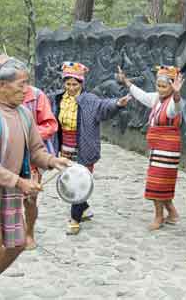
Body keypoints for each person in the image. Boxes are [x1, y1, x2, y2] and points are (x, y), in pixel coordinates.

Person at [0, 55, 71, 300]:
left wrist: (53, 161)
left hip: (9, 190)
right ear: (2, 85)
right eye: (21, 84)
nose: (27, 90)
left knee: (18, 243)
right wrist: (21, 182)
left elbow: (36, 150)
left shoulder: (23, 114)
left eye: (27, 83)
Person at [50, 62, 131, 235]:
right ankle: (84, 209)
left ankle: (75, 219)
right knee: (69, 182)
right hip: (65, 147)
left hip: (84, 147)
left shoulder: (90, 100)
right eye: (68, 84)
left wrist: (118, 103)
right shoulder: (57, 99)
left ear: (81, 84)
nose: (71, 88)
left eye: (75, 84)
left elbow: (104, 107)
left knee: (78, 183)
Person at [117, 65, 184, 230]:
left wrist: (176, 93)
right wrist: (126, 82)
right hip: (157, 148)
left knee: (156, 183)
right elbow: (141, 95)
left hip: (167, 150)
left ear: (172, 86)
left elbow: (176, 107)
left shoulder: (172, 104)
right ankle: (173, 214)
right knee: (162, 183)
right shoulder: (156, 99)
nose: (160, 90)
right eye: (158, 86)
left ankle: (159, 216)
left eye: (164, 86)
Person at [22, 83, 58, 250]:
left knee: (30, 198)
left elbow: (51, 125)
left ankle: (29, 233)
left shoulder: (37, 96)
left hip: (31, 158)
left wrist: (28, 135)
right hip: (7, 158)